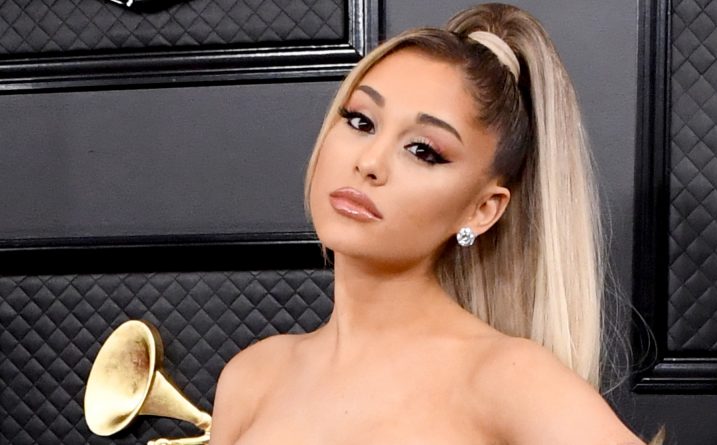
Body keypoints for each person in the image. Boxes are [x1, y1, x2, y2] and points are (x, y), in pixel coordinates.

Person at [210, 3, 657, 444]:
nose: (370, 162)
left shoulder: (509, 380)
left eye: (423, 151)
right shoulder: (254, 377)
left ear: (482, 210)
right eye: (361, 122)